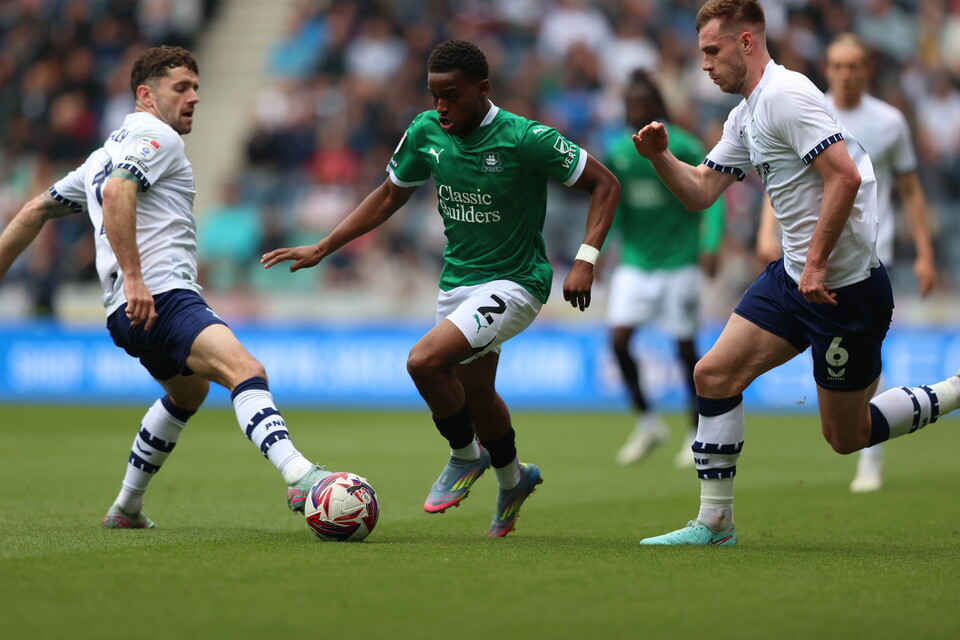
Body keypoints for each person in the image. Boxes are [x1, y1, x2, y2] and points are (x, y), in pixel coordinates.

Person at [630, 0, 960, 546]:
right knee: (713, 375)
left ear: (746, 42)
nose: (705, 65)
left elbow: (844, 179)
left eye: (712, 51)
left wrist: (815, 264)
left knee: (846, 435)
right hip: (793, 280)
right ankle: (715, 523)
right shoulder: (745, 114)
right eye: (700, 54)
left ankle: (954, 388)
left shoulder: (787, 96)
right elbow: (701, 193)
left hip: (842, 290)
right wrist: (660, 158)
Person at [262, 39, 619, 537]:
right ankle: (513, 479)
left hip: (517, 282)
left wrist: (585, 259)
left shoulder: (525, 137)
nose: (441, 106)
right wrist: (324, 246)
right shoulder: (426, 130)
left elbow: (605, 183)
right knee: (477, 396)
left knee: (424, 362)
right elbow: (390, 193)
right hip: (458, 283)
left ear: (483, 88)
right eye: (434, 95)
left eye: (452, 94)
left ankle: (464, 456)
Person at [0, 46, 330, 529]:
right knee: (246, 369)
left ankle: (127, 507)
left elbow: (33, 212)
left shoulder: (100, 156)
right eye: (181, 87)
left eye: (196, 87)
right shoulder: (157, 136)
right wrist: (135, 278)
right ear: (145, 95)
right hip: (161, 297)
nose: (194, 96)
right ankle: (301, 476)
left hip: (124, 313)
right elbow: (119, 191)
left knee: (189, 393)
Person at [755, 32, 938, 494]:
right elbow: (782, 171)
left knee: (865, 356)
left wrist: (926, 253)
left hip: (874, 254)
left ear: (867, 70)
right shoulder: (809, 105)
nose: (844, 73)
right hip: (811, 255)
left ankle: (869, 457)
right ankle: (866, 440)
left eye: (853, 65)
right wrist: (765, 230)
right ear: (828, 69)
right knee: (859, 368)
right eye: (837, 65)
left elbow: (911, 191)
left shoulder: (891, 121)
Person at [604, 69, 725, 468]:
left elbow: (714, 192)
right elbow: (612, 201)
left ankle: (696, 432)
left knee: (685, 349)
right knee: (619, 340)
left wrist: (710, 244)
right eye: (630, 105)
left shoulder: (684, 143)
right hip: (636, 261)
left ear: (656, 108)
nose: (634, 111)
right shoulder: (619, 150)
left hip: (679, 261)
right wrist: (601, 248)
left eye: (642, 105)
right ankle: (647, 422)